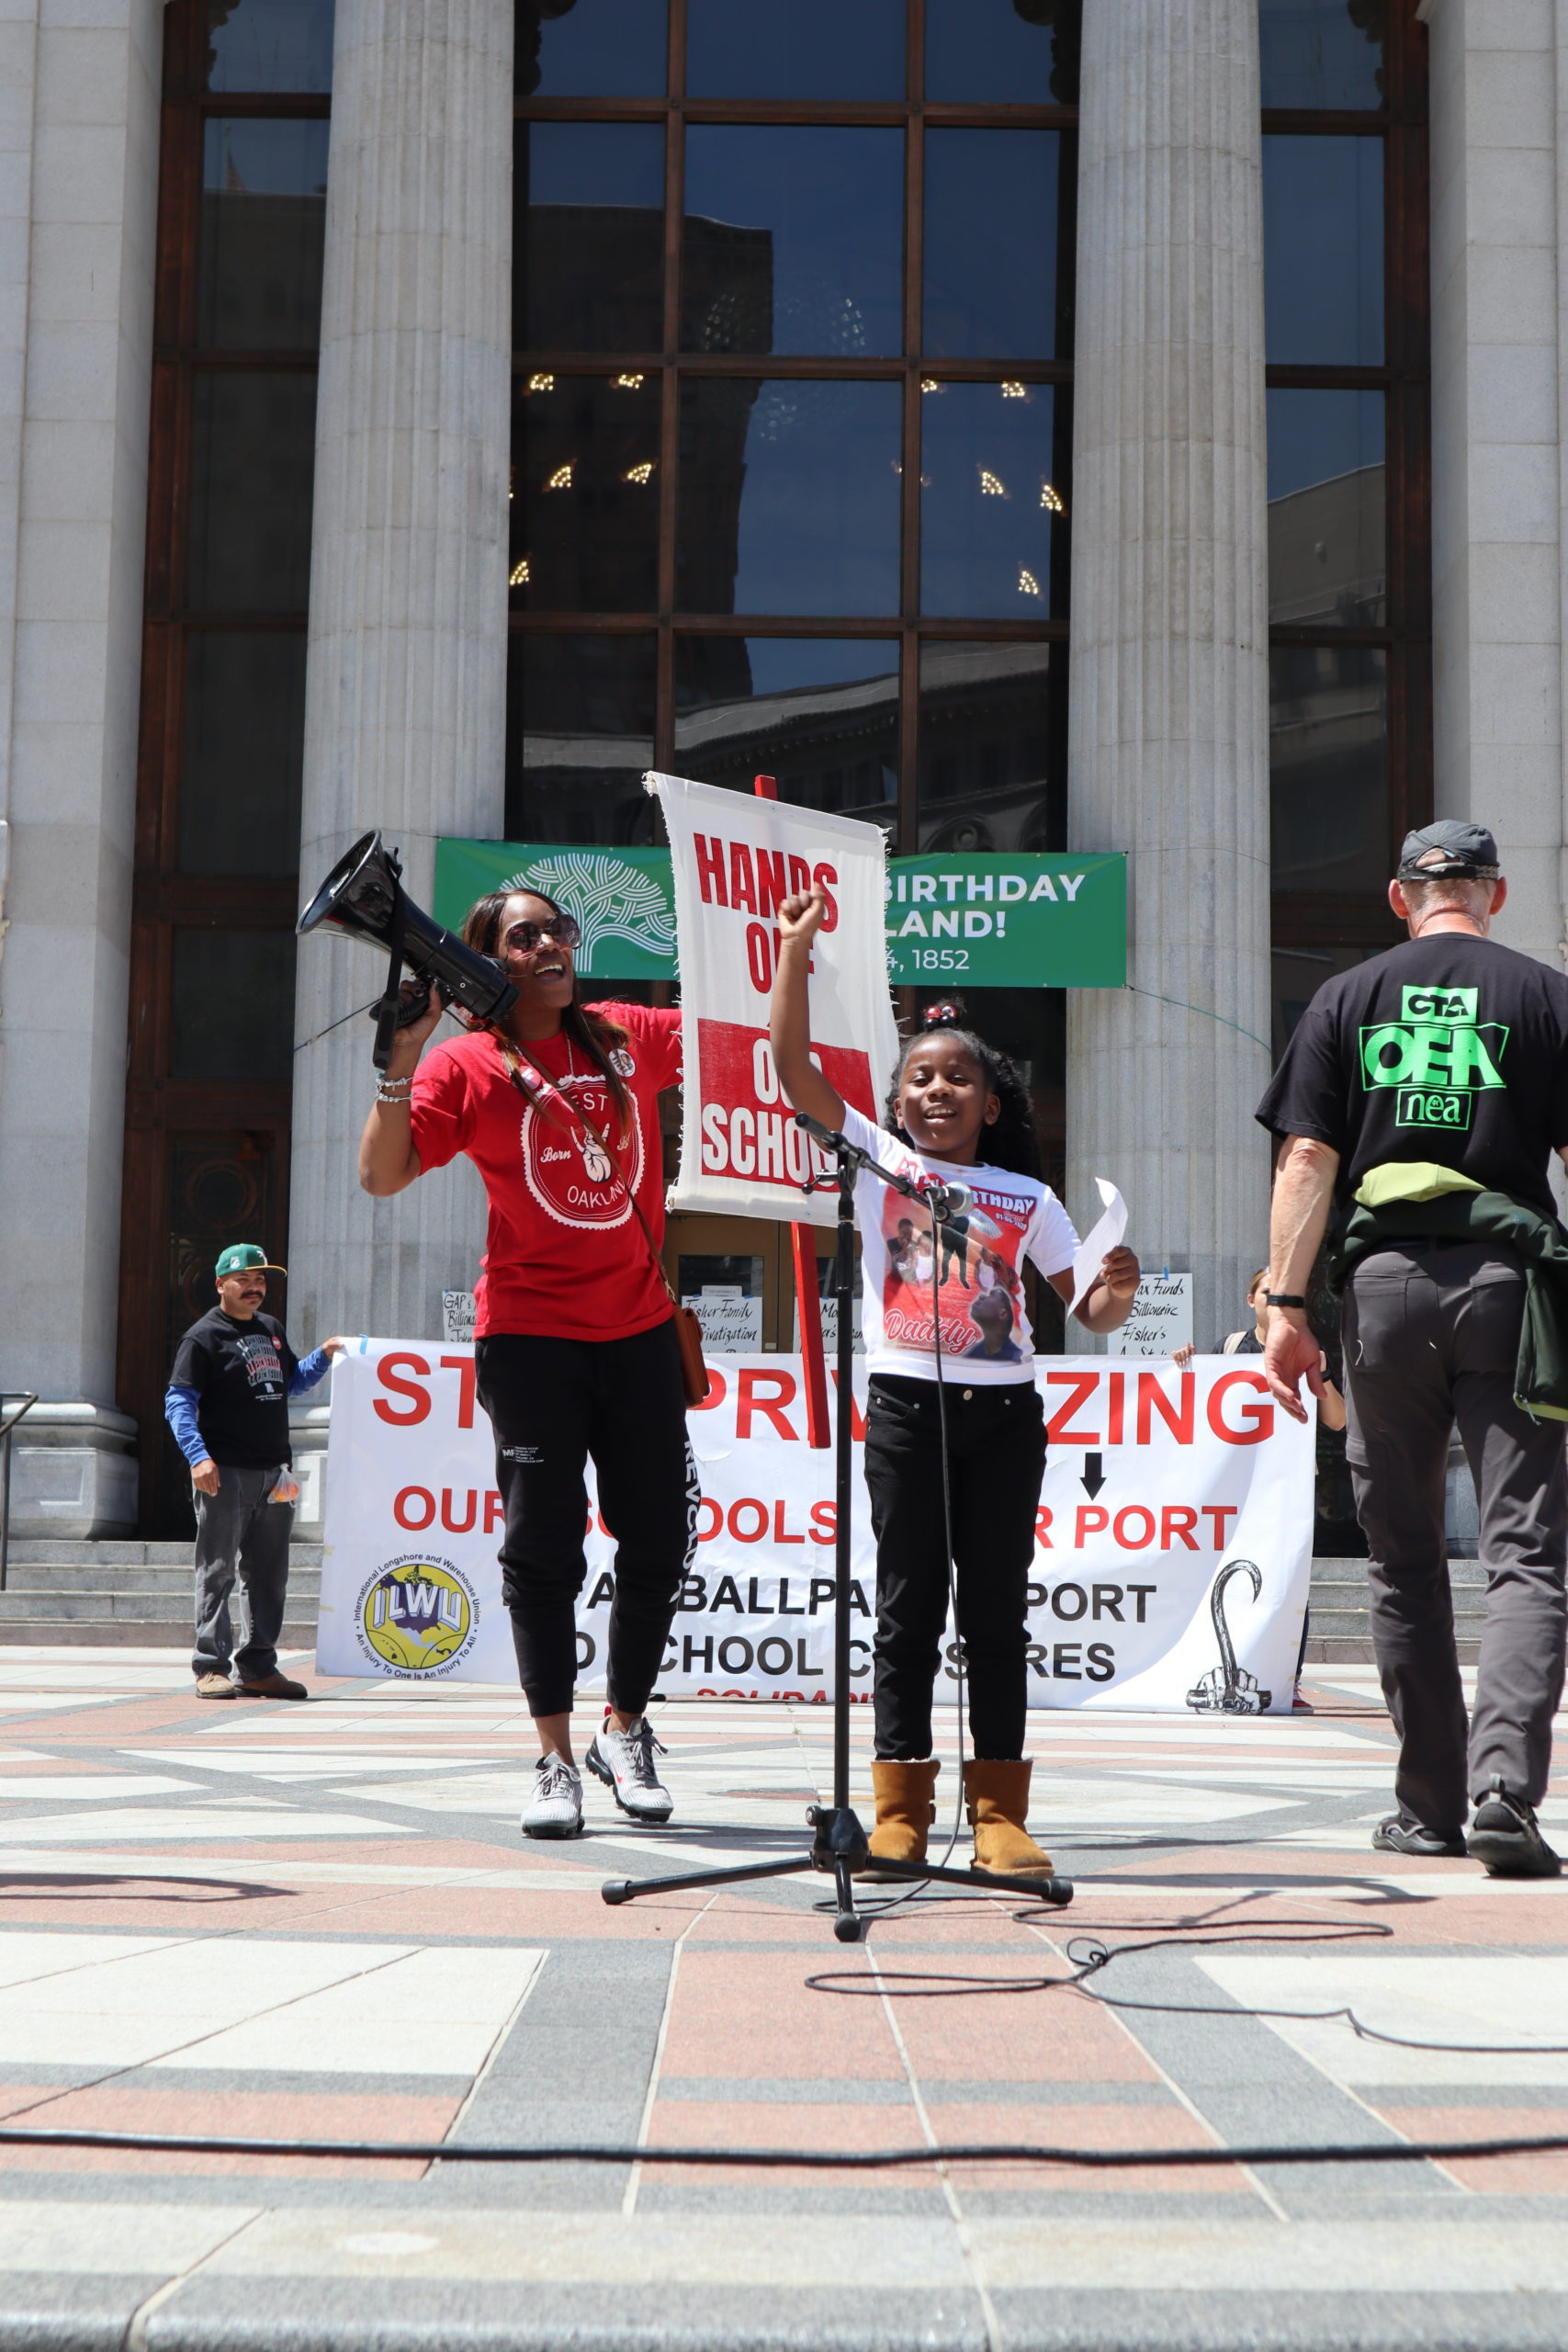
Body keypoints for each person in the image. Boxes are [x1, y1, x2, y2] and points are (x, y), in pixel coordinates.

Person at [772, 897, 1140, 1877]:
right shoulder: (876, 1161)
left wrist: (1115, 1293)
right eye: (921, 1079)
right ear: (897, 1104)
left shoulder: (1032, 1198)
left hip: (1007, 1414)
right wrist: (797, 953)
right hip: (903, 1407)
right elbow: (793, 1074)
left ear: (991, 1101)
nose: (938, 1092)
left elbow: (1086, 1313)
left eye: (959, 1079)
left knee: (994, 1609)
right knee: (906, 1604)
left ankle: (998, 1815)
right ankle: (898, 1802)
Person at [1258, 820, 1568, 1877]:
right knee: (1524, 1550)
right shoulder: (1543, 994)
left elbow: (1308, 1156)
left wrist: (1287, 1306)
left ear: (1401, 898)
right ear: (1496, 893)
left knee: (1402, 1557)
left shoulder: (1347, 997)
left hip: (1383, 1292)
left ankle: (1431, 1805)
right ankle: (1504, 1792)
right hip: (1509, 1287)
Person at [359, 884, 694, 1841]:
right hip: (532, 1340)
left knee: (660, 1540)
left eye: (558, 928)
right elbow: (382, 1176)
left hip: (636, 1331)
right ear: (487, 963)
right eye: (523, 934)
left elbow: (735, 1033)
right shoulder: (468, 1063)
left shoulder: (624, 1034)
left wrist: (786, 958)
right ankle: (553, 1757)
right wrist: (403, 1057)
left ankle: (623, 1730)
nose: (551, 942)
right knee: (543, 1552)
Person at [164, 1243, 344, 1699]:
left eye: (261, 1280)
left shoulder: (271, 1329)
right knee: (218, 1570)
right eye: (243, 1279)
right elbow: (179, 1402)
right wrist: (198, 1457)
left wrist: (323, 1354)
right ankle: (210, 1666)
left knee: (269, 1576)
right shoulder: (202, 1337)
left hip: (274, 1475)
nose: (254, 1288)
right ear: (220, 1283)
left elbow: (293, 1383)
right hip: (224, 1472)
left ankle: (259, 1666)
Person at [1175, 1267, 1347, 1710]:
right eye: (1267, 1292)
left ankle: (1288, 1679)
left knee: (1289, 1582)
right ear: (1249, 1299)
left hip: (1284, 1490)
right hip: (1231, 1489)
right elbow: (1190, 1413)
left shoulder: (1308, 1351)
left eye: (1283, 1294)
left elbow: (1338, 1420)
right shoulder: (1228, 1350)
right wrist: (1183, 1368)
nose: (1275, 1301)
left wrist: (1323, 1377)